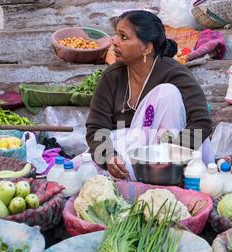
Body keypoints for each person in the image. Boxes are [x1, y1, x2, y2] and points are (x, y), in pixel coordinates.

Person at [86, 10, 214, 180]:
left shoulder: (175, 74)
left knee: (167, 93)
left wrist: (167, 157)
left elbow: (201, 123)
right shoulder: (112, 76)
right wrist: (109, 155)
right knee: (85, 170)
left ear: (146, 47)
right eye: (116, 35)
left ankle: (166, 177)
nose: (114, 41)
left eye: (123, 37)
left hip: (173, 151)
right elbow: (95, 127)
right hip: (129, 149)